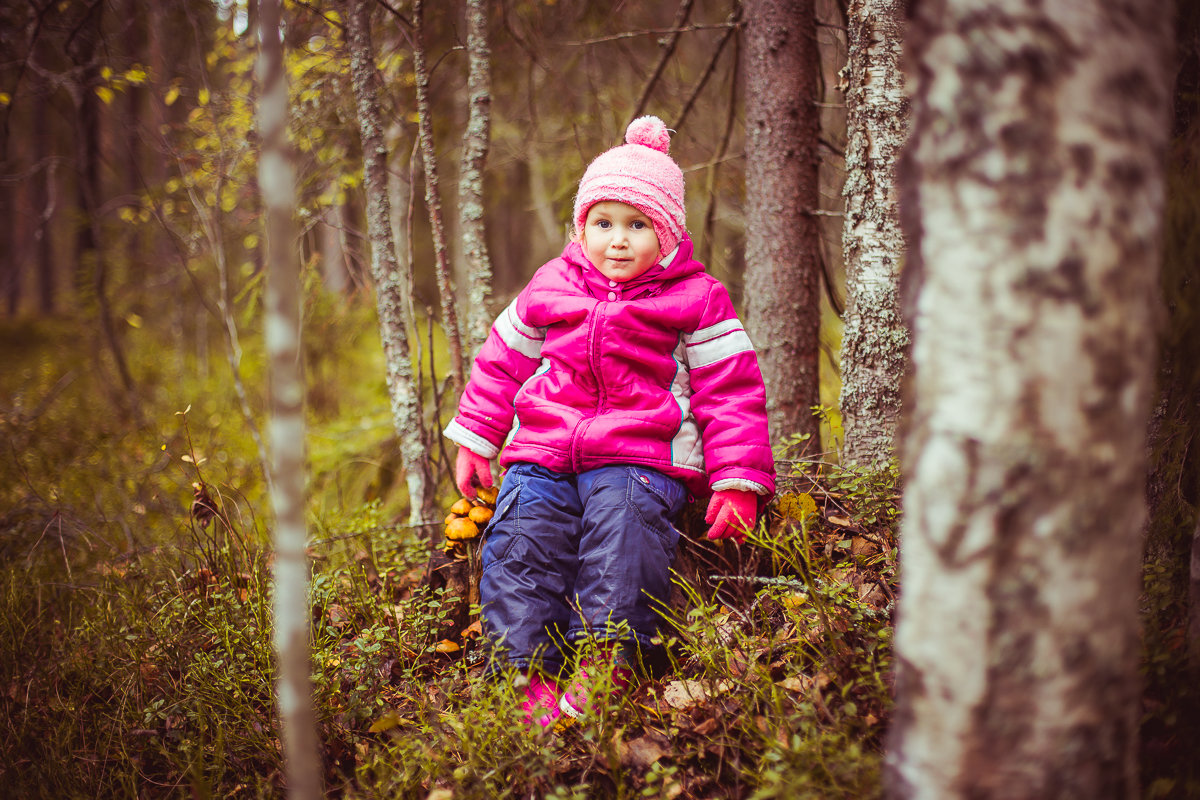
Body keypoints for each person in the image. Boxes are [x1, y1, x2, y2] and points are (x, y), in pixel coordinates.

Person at [443, 116, 775, 728]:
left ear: (669, 234)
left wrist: (736, 478)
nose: (616, 241)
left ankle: (609, 659)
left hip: (639, 453)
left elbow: (730, 391)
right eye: (603, 224)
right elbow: (502, 361)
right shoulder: (552, 283)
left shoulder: (696, 299)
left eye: (637, 225)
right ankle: (523, 671)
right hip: (544, 449)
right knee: (522, 537)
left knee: (623, 536)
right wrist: (477, 438)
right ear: (582, 227)